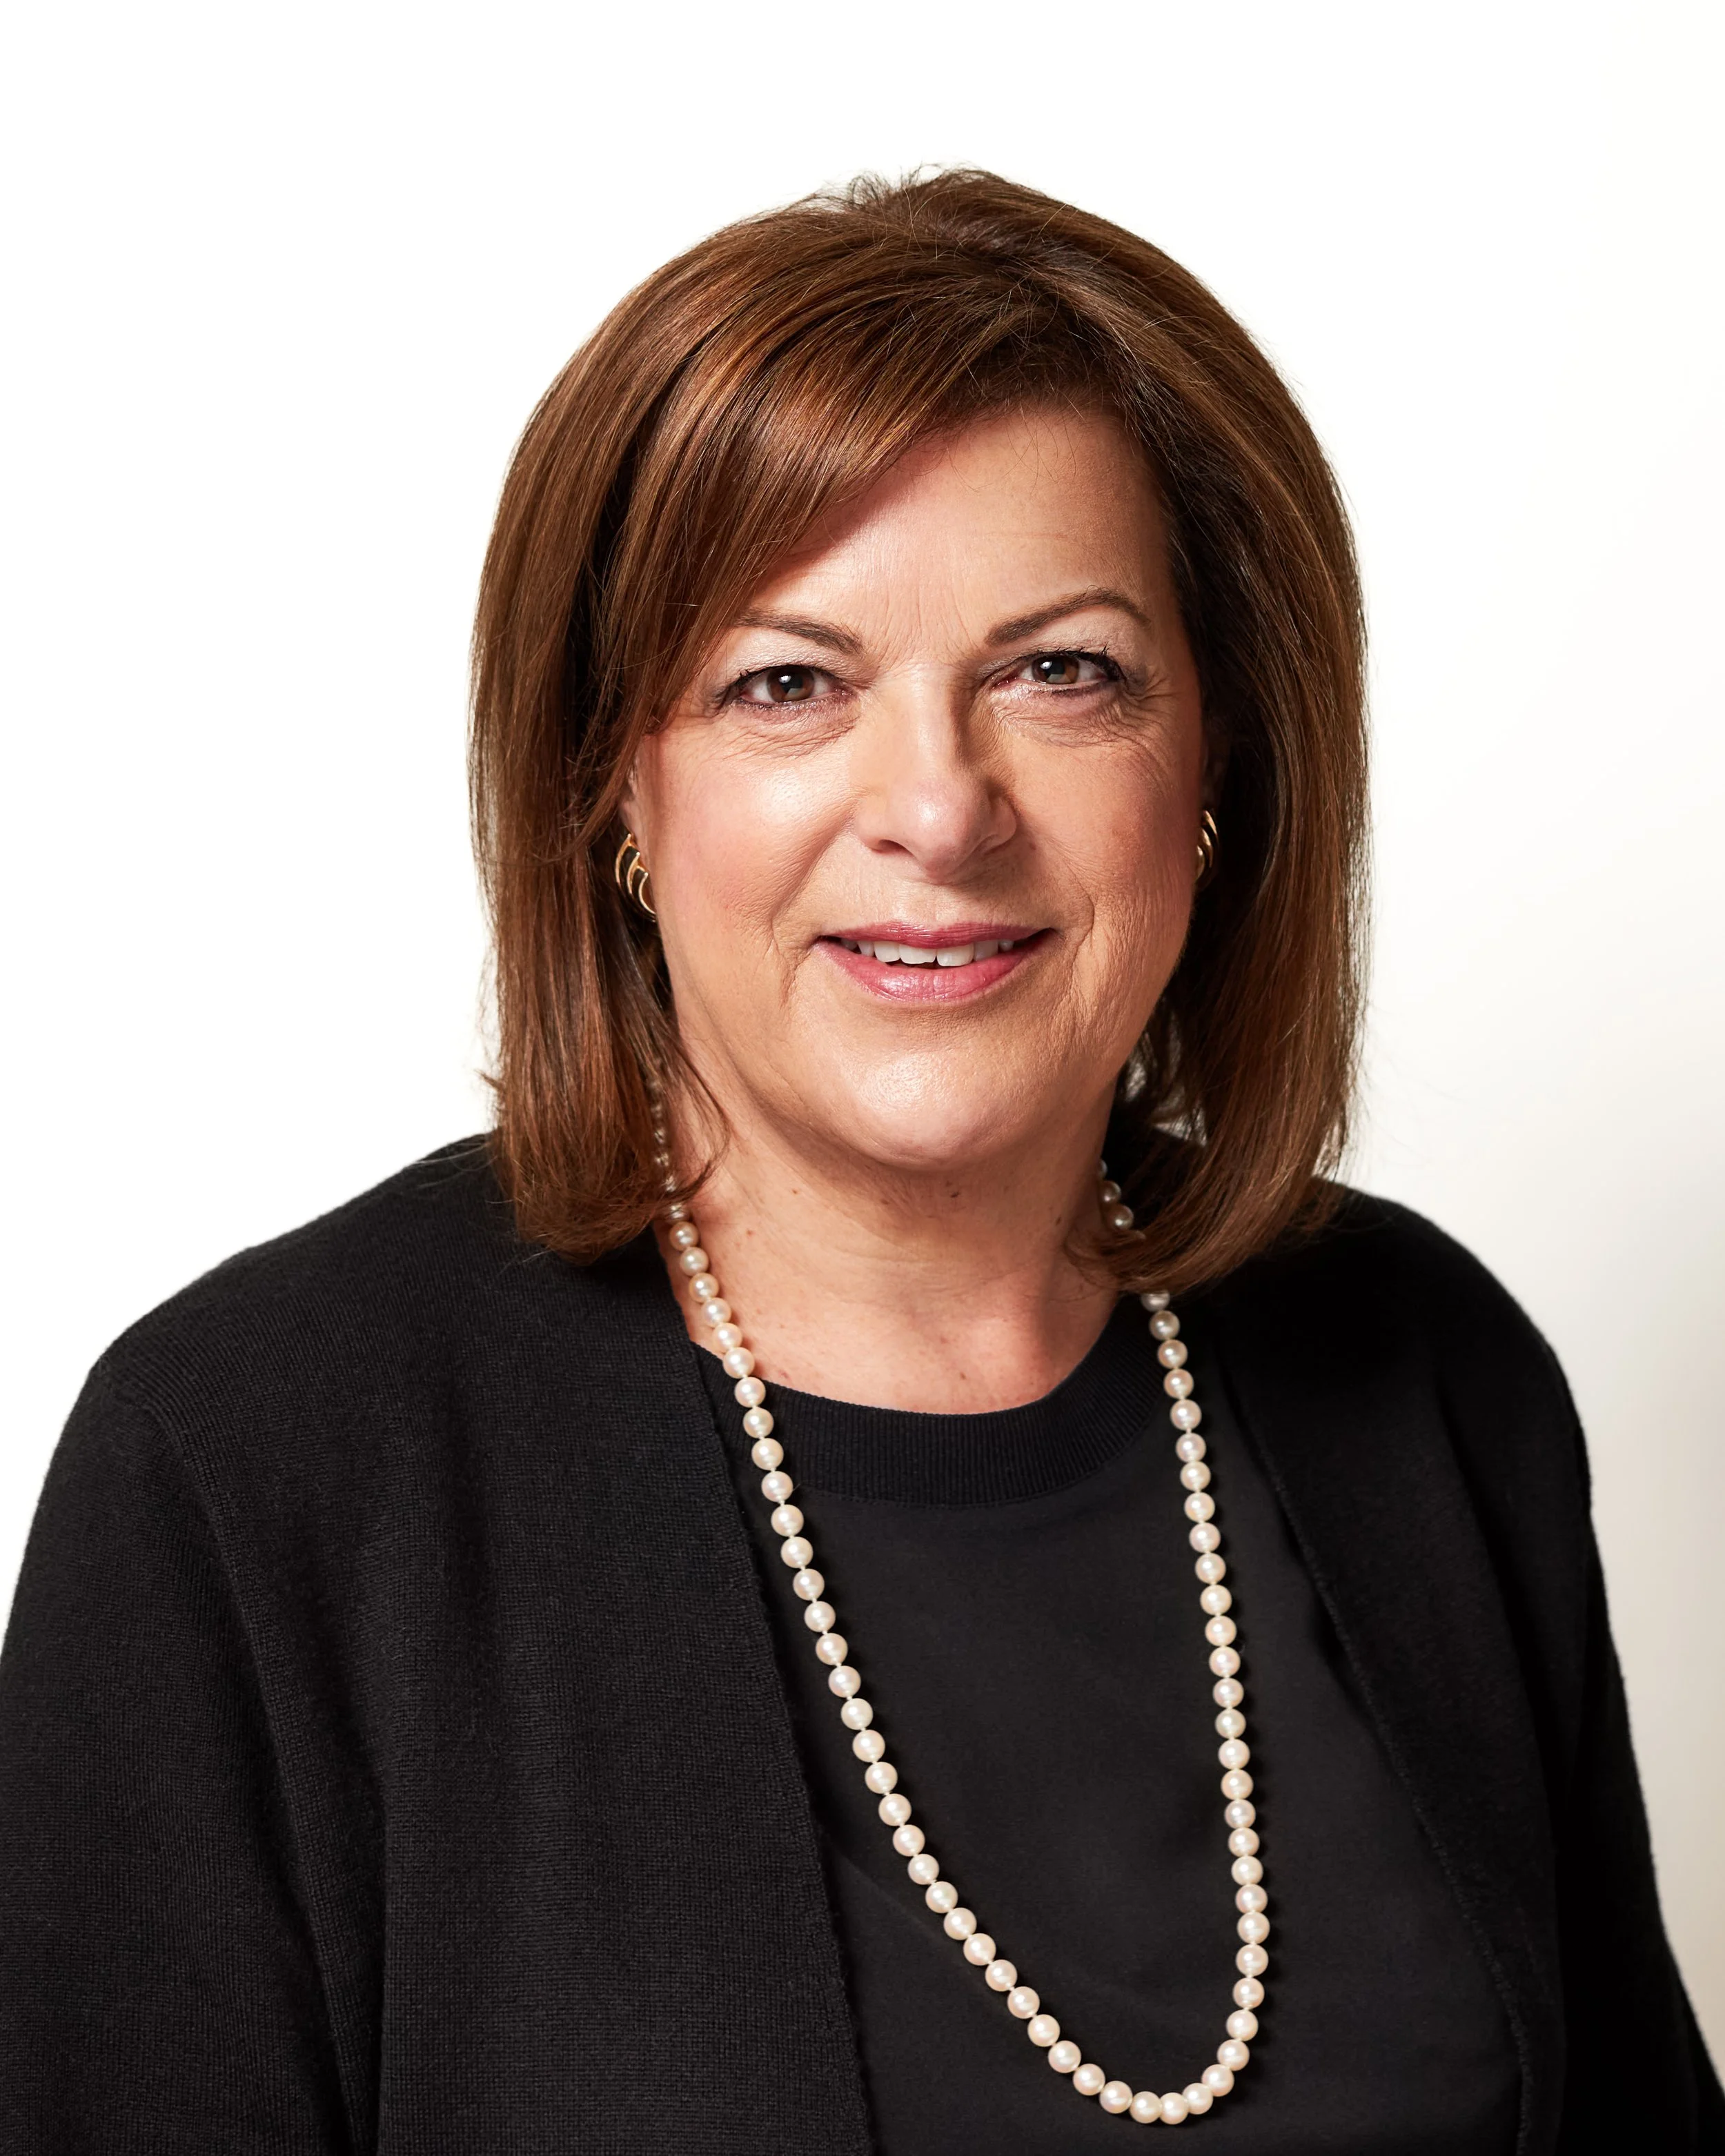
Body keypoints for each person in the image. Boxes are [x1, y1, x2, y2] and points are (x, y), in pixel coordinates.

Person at [1, 170, 1716, 2155]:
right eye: (786, 682)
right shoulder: (256, 1464)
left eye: (1059, 670)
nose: (935, 804)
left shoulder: (1425, 1373)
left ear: (1218, 760)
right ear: (613, 791)